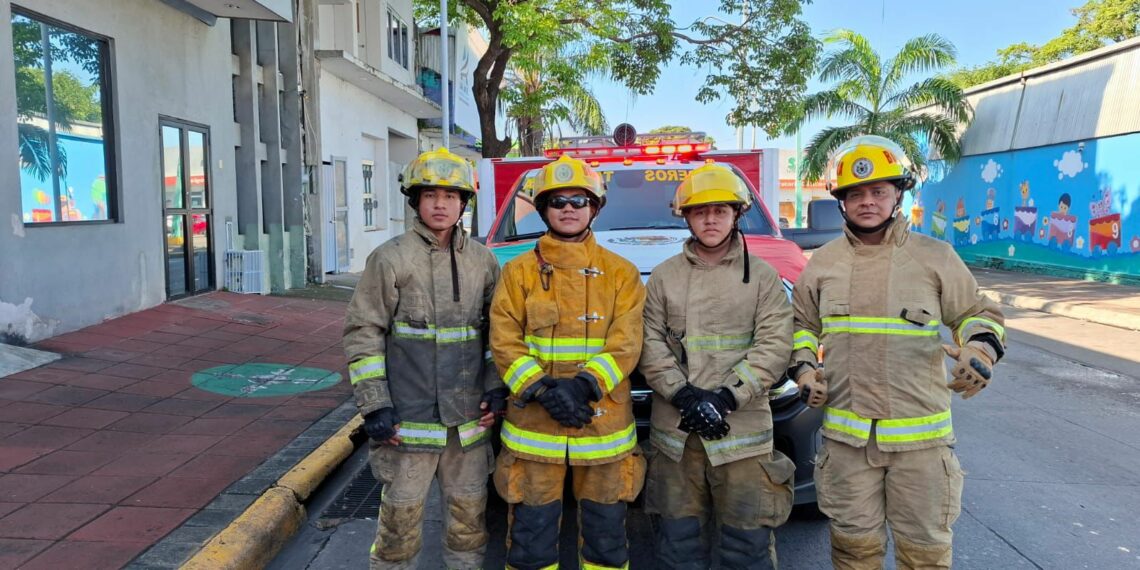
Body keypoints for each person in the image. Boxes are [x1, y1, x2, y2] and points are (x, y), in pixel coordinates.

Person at [790, 136, 1006, 569]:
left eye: (878, 191)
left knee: (924, 555)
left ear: (898, 195)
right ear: (842, 202)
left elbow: (975, 313)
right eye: (856, 194)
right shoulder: (823, 263)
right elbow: (803, 327)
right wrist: (805, 370)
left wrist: (980, 348)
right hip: (847, 445)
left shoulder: (935, 257)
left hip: (920, 446)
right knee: (853, 551)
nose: (867, 202)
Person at [343, 147, 504, 570]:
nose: (440, 204)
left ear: (464, 203)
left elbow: (498, 335)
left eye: (451, 195)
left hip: (468, 422)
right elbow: (364, 332)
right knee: (399, 524)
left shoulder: (483, 262)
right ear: (415, 200)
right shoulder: (390, 258)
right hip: (407, 423)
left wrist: (496, 390)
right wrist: (375, 404)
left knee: (469, 524)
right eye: (430, 194)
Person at [489, 154, 647, 570]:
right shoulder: (517, 272)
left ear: (594, 208)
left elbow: (627, 342)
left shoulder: (622, 273)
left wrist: (583, 386)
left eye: (579, 200)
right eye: (558, 201)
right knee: (531, 541)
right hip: (533, 430)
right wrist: (542, 391)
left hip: (604, 430)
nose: (569, 209)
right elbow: (504, 340)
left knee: (606, 540)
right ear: (543, 210)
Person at [640, 163, 797, 569]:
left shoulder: (762, 277)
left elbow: (775, 346)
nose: (710, 219)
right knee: (678, 548)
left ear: (737, 214)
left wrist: (727, 398)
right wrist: (683, 395)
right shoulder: (663, 278)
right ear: (686, 217)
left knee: (747, 549)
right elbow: (648, 343)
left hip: (743, 439)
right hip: (677, 439)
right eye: (700, 211)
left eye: (720, 210)